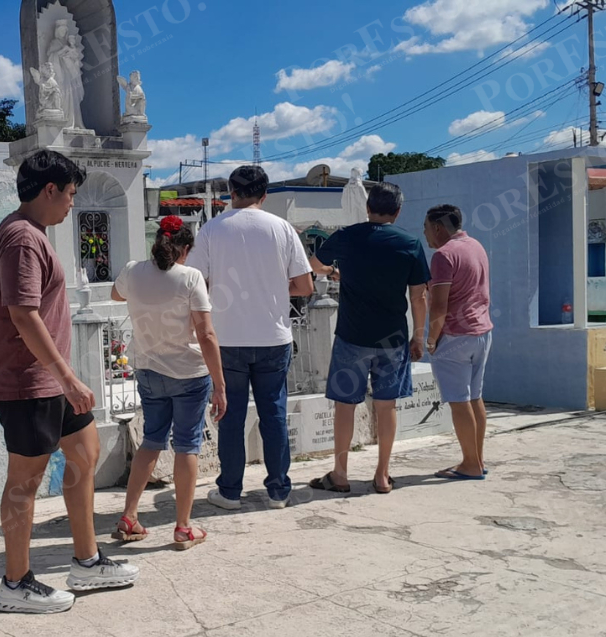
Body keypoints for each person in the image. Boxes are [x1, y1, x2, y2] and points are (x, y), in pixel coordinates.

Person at [0, 150, 139, 615]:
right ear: (49, 190)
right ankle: (15, 583)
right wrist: (67, 377)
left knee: (85, 452)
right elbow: (23, 315)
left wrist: (64, 380)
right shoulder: (22, 239)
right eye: (70, 193)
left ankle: (87, 561)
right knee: (24, 482)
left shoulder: (31, 233)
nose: (74, 202)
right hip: (28, 382)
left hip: (49, 381)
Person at [186, 165, 315, 510]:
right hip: (273, 337)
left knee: (229, 415)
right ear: (264, 194)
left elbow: (194, 282)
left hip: (227, 338)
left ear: (231, 192)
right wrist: (275, 288)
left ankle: (230, 491)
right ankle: (278, 490)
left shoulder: (212, 229)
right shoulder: (282, 228)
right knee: (274, 414)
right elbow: (305, 285)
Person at [110, 215, 226, 549]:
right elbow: (206, 334)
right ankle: (183, 526)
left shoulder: (133, 271)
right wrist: (220, 385)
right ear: (185, 249)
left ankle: (129, 515)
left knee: (152, 440)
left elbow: (116, 295)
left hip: (148, 369)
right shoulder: (190, 278)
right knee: (187, 445)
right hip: (189, 373)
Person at [308, 182, 430, 495]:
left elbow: (313, 264)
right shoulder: (410, 243)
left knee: (345, 406)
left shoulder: (347, 236)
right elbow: (419, 296)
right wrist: (419, 336)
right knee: (387, 406)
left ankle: (340, 474)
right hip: (393, 338)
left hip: (352, 335)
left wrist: (335, 273)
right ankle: (382, 475)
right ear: (398, 211)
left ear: (367, 207)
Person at [423, 204, 493, 481]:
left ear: (437, 228)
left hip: (455, 336)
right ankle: (476, 459)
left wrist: (431, 340)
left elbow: (439, 306)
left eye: (426, 228)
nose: (425, 234)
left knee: (459, 402)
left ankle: (471, 464)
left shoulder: (443, 255)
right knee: (475, 398)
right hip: (482, 332)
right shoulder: (476, 246)